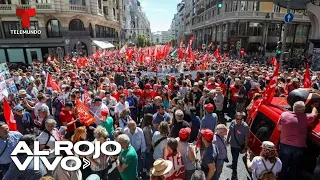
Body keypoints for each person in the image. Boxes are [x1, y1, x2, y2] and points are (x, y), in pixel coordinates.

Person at [278, 101, 318, 180]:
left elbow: (279, 128)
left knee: (283, 165)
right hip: (299, 147)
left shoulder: (284, 115)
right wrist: (314, 106)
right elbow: (315, 114)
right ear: (303, 109)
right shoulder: (306, 117)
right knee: (295, 167)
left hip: (284, 145)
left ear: (293, 107)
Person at [227, 112, 250, 180]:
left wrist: (245, 148)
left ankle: (234, 174)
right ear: (235, 118)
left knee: (235, 158)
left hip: (238, 146)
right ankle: (233, 164)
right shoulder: (233, 122)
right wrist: (227, 139)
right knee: (233, 157)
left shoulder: (245, 127)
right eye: (237, 119)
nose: (239, 120)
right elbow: (230, 131)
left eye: (240, 119)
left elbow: (246, 139)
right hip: (232, 144)